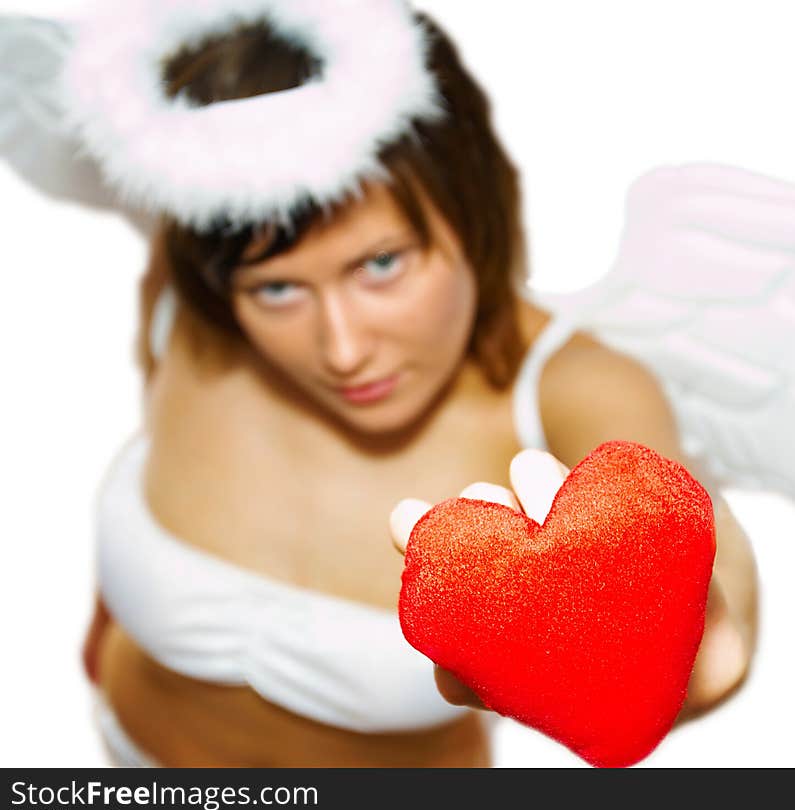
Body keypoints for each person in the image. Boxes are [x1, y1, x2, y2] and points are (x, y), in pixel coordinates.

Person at [70, 7, 757, 767]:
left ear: (473, 211)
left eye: (382, 264)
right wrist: (103, 634)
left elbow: (688, 538)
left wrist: (706, 650)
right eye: (277, 291)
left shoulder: (574, 389)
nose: (343, 349)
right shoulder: (191, 303)